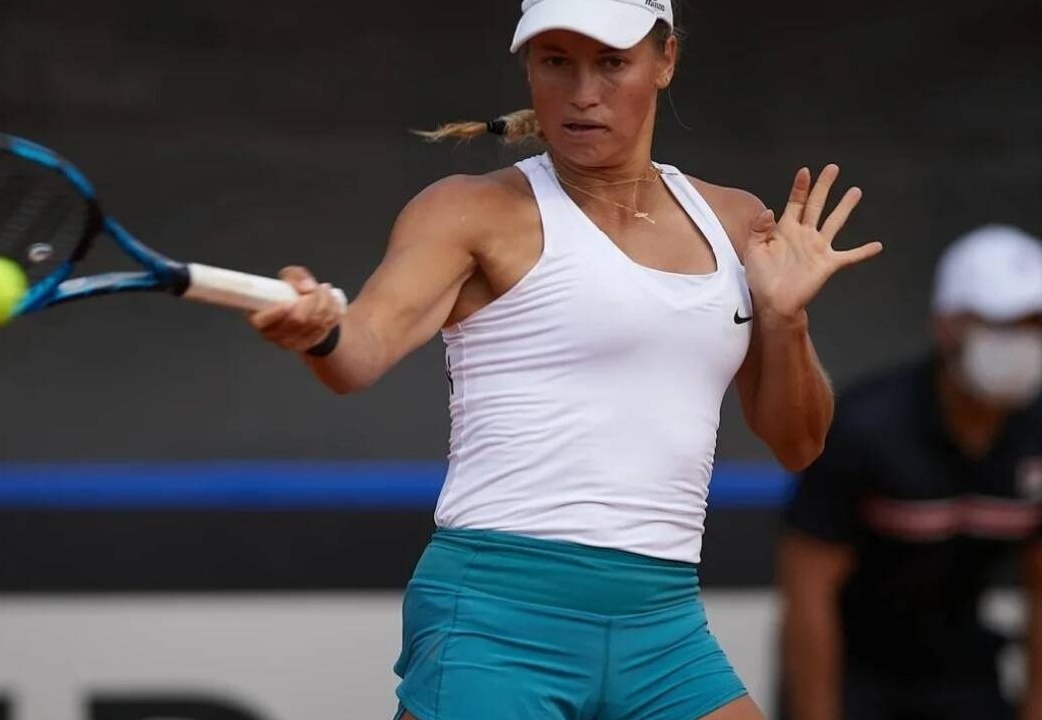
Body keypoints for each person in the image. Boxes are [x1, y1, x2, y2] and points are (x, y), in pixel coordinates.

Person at [249, 0, 881, 717]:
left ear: (666, 61)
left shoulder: (736, 221)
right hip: (496, 618)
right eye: (556, 62)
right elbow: (357, 355)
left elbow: (799, 444)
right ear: (530, 68)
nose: (583, 93)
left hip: (664, 625)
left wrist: (786, 317)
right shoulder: (467, 210)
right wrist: (319, 332)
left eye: (612, 63)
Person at [779, 225, 1042, 720]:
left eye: (1035, 325)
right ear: (947, 325)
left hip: (966, 674)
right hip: (854, 674)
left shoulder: (1035, 435)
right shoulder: (867, 427)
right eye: (1003, 324)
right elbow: (809, 592)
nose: (1023, 342)